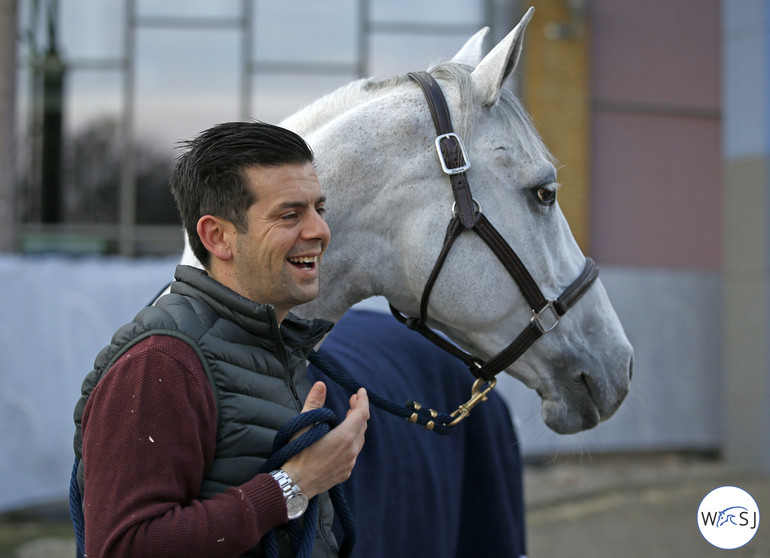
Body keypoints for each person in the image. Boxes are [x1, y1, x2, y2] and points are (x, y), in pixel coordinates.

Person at [72, 121, 370, 558]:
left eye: (318, 209)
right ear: (218, 237)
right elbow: (123, 548)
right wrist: (294, 484)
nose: (319, 231)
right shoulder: (160, 361)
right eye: (290, 215)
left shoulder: (271, 346)